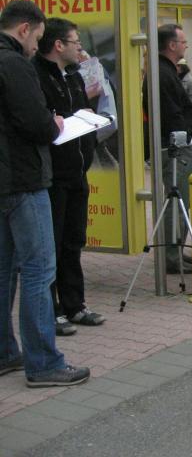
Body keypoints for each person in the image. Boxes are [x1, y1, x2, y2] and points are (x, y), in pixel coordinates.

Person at [0, 0, 90, 387]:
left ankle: (5, 352)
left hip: (5, 181)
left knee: (5, 270)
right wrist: (54, 123)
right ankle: (43, 363)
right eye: (37, 37)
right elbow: (37, 123)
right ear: (24, 29)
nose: (37, 45)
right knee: (39, 270)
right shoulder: (15, 64)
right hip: (24, 178)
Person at [33, 18, 105, 336]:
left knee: (74, 241)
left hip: (77, 171)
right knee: (53, 243)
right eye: (75, 42)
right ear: (58, 45)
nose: (80, 48)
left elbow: (81, 111)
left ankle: (75, 304)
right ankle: (53, 311)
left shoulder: (74, 76)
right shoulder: (37, 76)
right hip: (53, 175)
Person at [142, 24, 192, 274]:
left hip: (177, 143)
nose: (186, 46)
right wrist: (186, 133)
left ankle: (175, 251)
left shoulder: (165, 71)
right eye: (183, 42)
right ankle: (171, 256)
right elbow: (171, 113)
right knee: (177, 200)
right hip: (175, 147)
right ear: (172, 45)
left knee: (182, 199)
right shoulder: (161, 73)